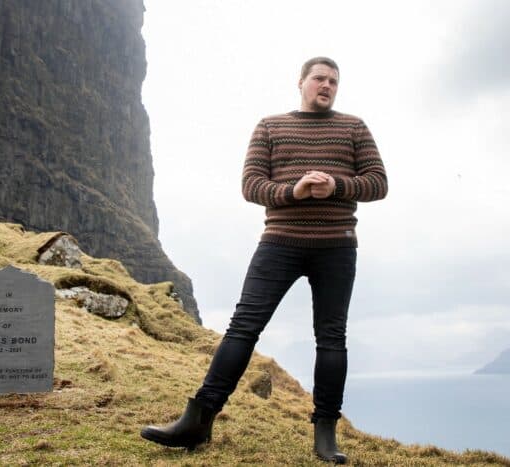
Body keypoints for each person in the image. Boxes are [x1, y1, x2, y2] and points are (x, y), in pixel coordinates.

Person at [141, 57, 388, 464]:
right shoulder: (270, 126)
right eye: (319, 79)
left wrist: (337, 185)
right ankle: (198, 420)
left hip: (337, 246)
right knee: (243, 327)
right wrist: (297, 191)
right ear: (301, 83)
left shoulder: (354, 127)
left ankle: (325, 435)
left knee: (331, 338)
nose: (326, 86)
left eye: (333, 81)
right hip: (279, 243)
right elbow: (252, 185)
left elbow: (378, 183)